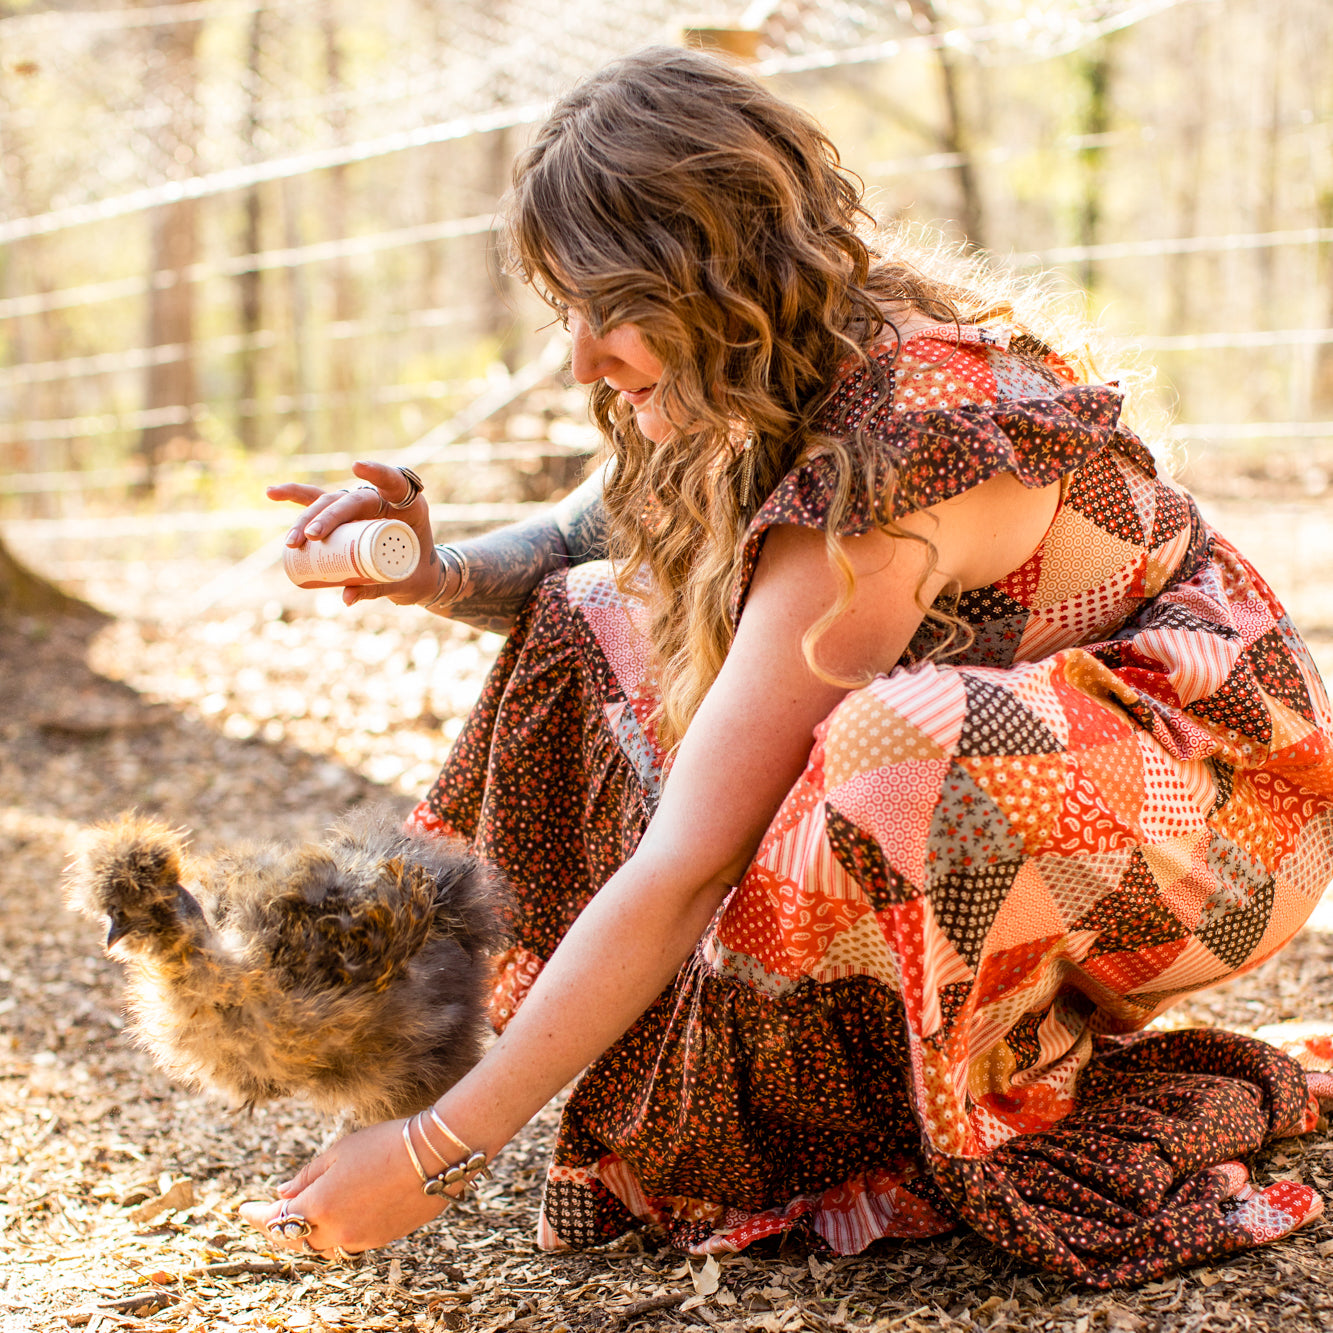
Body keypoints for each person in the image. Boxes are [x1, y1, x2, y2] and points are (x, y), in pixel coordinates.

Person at [242, 46, 1333, 1287]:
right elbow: (576, 548)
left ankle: (957, 1095)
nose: (583, 356)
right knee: (583, 621)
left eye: (612, 306)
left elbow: (694, 854)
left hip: (1228, 824)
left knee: (892, 746)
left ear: (720, 276)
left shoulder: (909, 439)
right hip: (1059, 799)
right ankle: (790, 1076)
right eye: (566, 309)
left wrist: (447, 1148)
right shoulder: (755, 371)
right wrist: (431, 573)